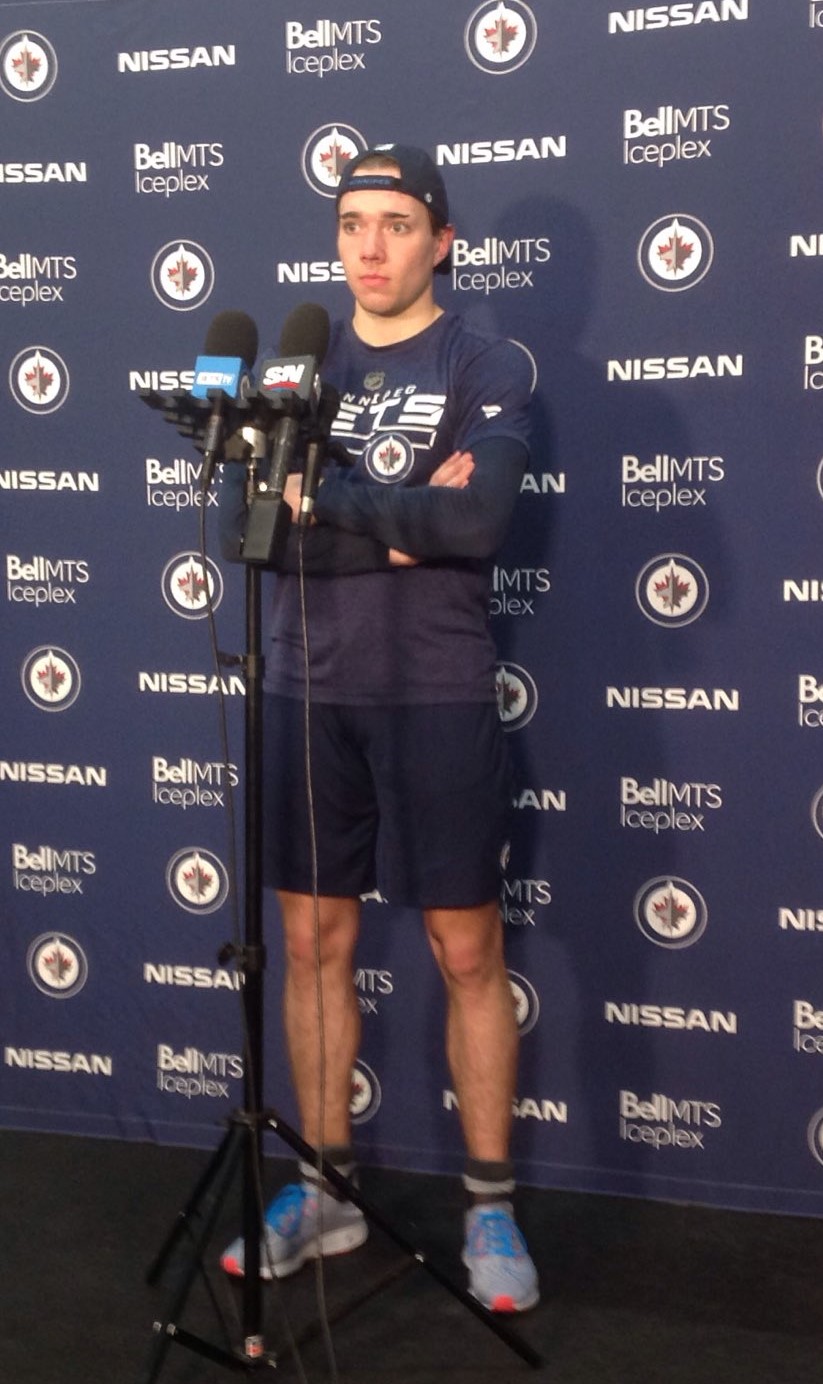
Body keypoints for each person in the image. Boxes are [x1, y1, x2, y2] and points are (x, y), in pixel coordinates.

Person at [218, 144, 539, 1313]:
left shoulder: (482, 361)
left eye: (397, 223)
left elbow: (480, 519)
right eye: (353, 222)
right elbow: (245, 532)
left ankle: (489, 1205)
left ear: (440, 241)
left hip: (437, 693)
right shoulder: (298, 366)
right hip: (308, 688)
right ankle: (326, 1186)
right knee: (310, 944)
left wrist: (331, 504)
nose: (370, 245)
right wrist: (404, 524)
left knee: (467, 952)